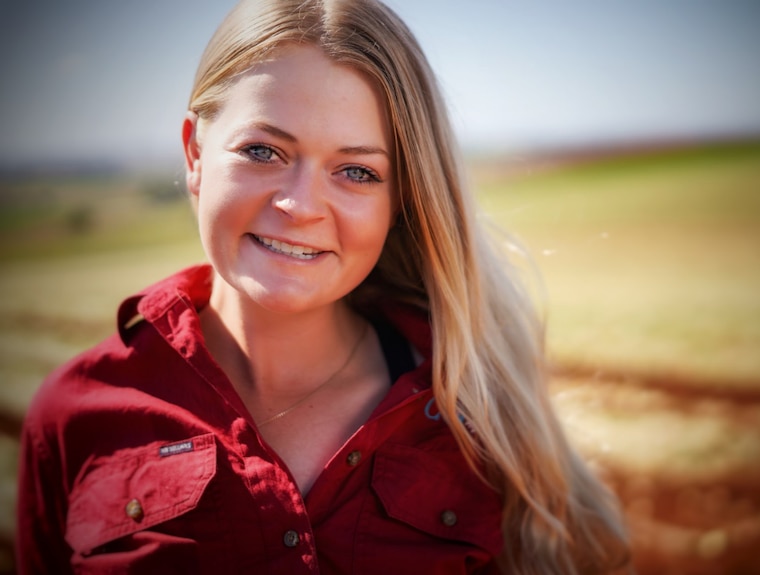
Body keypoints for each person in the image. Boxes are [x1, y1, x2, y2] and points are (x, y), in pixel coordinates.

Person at [16, 0, 630, 573]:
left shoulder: (473, 417)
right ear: (195, 155)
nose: (300, 204)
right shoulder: (72, 415)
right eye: (263, 150)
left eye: (357, 171)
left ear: (402, 201)